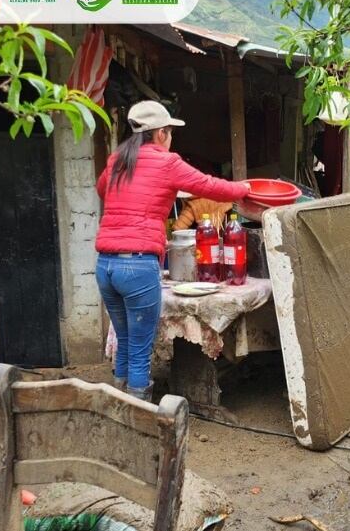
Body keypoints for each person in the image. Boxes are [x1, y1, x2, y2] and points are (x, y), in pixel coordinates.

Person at [95, 101, 250, 401]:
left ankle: (118, 412)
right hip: (137, 267)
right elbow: (208, 186)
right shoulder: (167, 162)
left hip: (106, 267)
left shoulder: (117, 160)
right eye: (169, 132)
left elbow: (103, 190)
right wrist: (243, 189)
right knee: (141, 351)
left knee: (126, 343)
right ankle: (137, 421)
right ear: (162, 133)